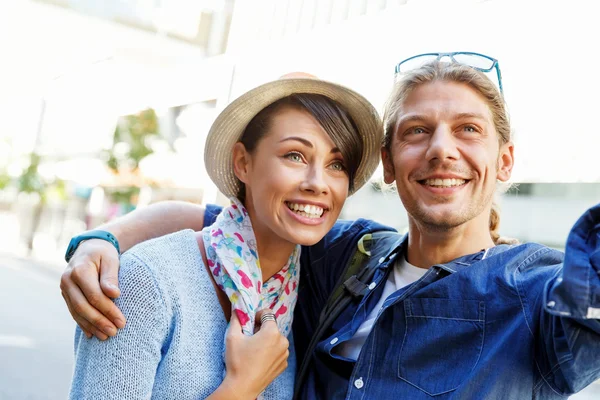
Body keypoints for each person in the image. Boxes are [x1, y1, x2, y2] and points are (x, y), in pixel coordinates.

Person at [61, 55, 600, 399]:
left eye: (467, 130)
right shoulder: (349, 254)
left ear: (504, 163)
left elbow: (586, 307)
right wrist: (100, 242)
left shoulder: (535, 292)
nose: (441, 150)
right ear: (389, 166)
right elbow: (223, 223)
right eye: (417, 131)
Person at [65, 74, 383, 399]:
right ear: (243, 162)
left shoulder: (297, 298)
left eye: (337, 164)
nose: (318, 182)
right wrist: (240, 388)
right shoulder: (145, 282)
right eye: (294, 155)